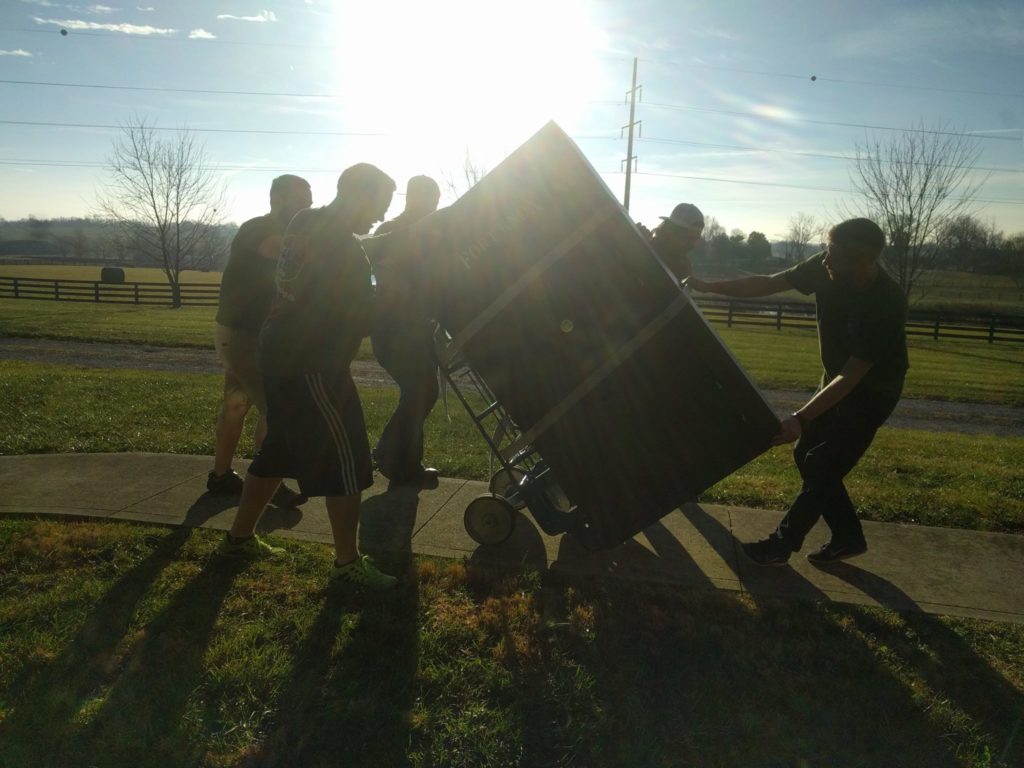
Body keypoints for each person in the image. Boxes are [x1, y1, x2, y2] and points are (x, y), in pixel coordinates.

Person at [216, 163, 399, 591]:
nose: (379, 217)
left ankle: (238, 540)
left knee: (278, 449)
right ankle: (346, 563)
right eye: (378, 207)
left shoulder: (306, 223)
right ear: (356, 195)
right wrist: (394, 299)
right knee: (347, 457)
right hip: (313, 364)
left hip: (277, 353)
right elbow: (359, 313)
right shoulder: (343, 248)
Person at [686, 217, 908, 566]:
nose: (824, 259)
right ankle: (848, 537)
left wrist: (801, 417)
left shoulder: (887, 302)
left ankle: (781, 544)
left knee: (822, 462)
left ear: (860, 262)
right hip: (834, 379)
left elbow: (853, 376)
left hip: (872, 391)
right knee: (807, 455)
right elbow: (768, 283)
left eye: (833, 253)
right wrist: (709, 287)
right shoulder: (826, 269)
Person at [208, 174, 312, 506]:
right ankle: (268, 482)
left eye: (309, 200)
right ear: (278, 198)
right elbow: (281, 250)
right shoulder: (257, 229)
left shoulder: (288, 233)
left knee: (236, 405)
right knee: (276, 409)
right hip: (242, 335)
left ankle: (221, 477)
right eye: (301, 199)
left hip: (247, 333)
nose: (307, 205)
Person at [367, 175, 442, 487]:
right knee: (420, 391)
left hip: (420, 329)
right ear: (412, 197)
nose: (433, 206)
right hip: (393, 329)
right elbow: (384, 279)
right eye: (428, 199)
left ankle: (408, 463)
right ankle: (389, 453)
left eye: (435, 201)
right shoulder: (391, 231)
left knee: (422, 391)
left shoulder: (430, 233)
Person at [642, 202, 705, 281]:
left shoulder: (683, 266)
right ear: (670, 231)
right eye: (687, 238)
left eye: (695, 239)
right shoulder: (641, 251)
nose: (692, 245)